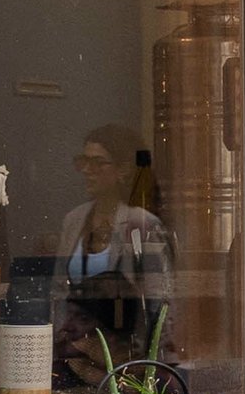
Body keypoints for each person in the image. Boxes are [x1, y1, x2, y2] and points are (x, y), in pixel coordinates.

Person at [51, 124, 172, 380]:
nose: (87, 171)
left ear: (123, 170)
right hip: (74, 354)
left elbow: (158, 301)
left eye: (97, 163)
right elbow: (59, 290)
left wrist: (151, 364)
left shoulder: (142, 224)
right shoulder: (74, 220)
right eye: (83, 161)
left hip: (125, 360)